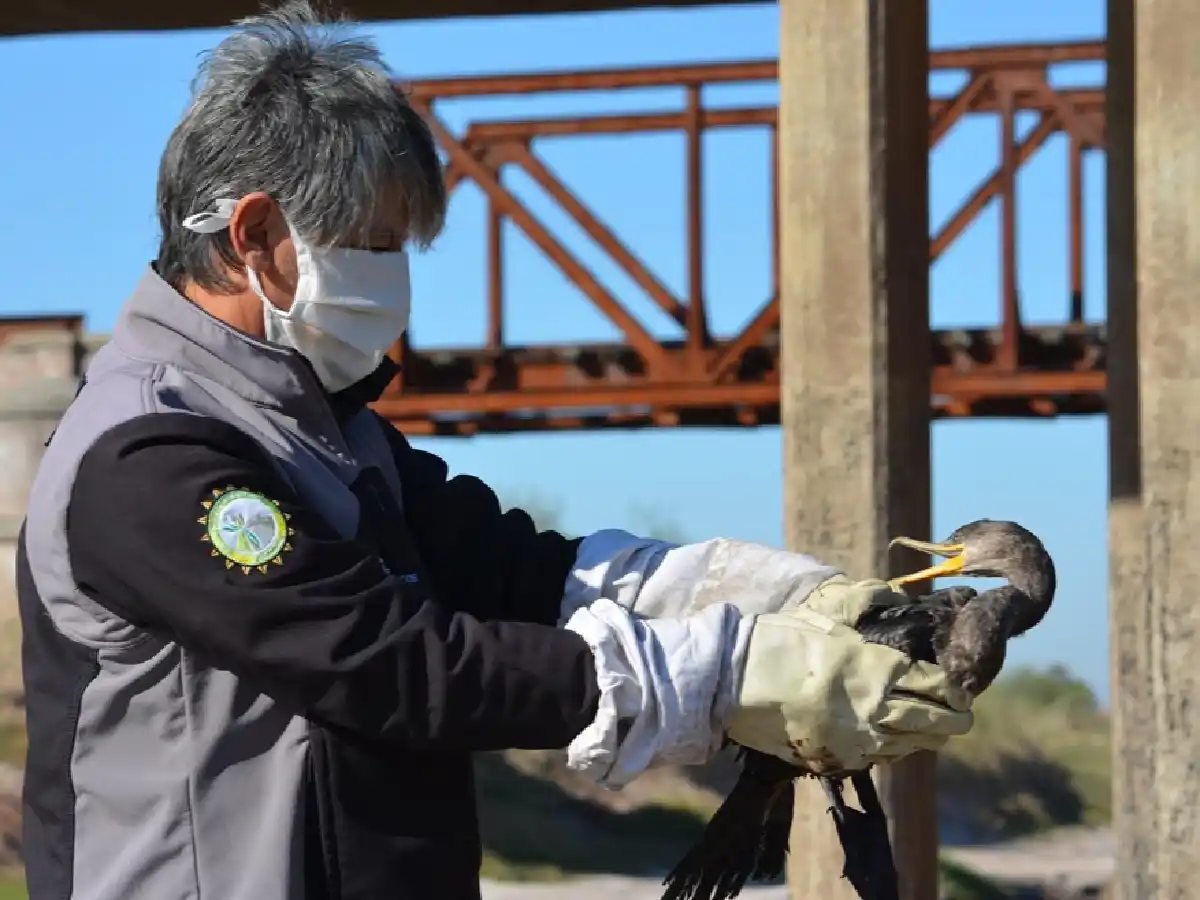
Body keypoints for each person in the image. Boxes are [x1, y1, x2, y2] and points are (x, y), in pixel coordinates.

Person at [16, 4, 973, 900]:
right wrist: (724, 676)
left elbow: (519, 570)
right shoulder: (153, 454)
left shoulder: (329, 433)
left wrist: (769, 599)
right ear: (257, 235)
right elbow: (386, 663)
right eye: (370, 244)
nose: (391, 280)